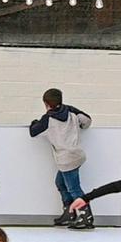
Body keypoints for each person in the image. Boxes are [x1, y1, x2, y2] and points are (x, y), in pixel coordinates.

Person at [29, 88, 94, 229]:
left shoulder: (48, 119)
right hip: (77, 155)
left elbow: (33, 132)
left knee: (74, 189)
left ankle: (85, 216)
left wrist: (35, 122)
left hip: (66, 159)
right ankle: (69, 212)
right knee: (61, 183)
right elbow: (87, 121)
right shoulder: (71, 111)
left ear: (46, 104)